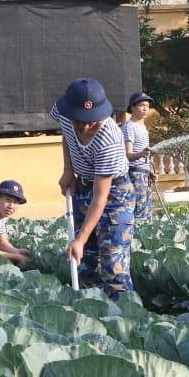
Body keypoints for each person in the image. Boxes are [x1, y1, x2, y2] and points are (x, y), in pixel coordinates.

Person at [52, 77, 135, 297]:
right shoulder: (63, 112)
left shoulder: (109, 137)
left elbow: (101, 197)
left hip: (114, 194)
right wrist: (68, 170)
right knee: (85, 261)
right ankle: (91, 312)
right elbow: (66, 135)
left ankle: (125, 316)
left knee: (112, 259)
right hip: (83, 185)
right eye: (79, 119)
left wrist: (79, 239)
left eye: (91, 120)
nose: (85, 125)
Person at [122, 91, 157, 222]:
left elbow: (144, 157)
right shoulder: (129, 127)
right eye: (141, 105)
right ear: (132, 107)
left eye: (147, 106)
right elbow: (128, 156)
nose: (145, 108)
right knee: (138, 211)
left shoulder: (143, 127)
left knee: (147, 211)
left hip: (144, 174)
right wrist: (141, 154)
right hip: (135, 174)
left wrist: (150, 171)